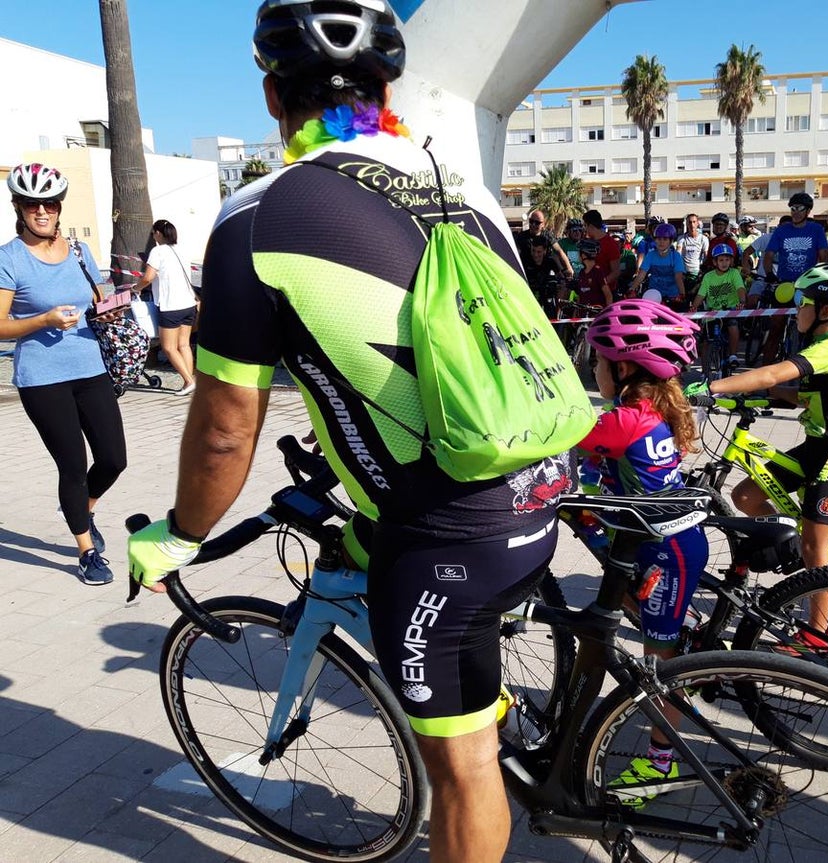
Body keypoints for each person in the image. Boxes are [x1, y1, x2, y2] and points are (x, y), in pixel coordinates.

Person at [125, 5, 575, 861]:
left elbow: (226, 430)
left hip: (452, 531)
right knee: (402, 578)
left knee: (466, 762)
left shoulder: (260, 214)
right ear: (387, 88)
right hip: (541, 485)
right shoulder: (463, 187)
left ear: (270, 96)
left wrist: (181, 536)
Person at [686, 262, 828, 633]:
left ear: (825, 311)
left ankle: (818, 633)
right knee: (745, 495)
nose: (796, 309)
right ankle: (791, 540)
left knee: (816, 551)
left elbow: (774, 372)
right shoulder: (827, 346)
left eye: (803, 302)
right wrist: (761, 396)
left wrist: (713, 387)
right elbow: (800, 396)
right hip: (814, 448)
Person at [579, 299, 707, 799]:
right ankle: (689, 650)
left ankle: (661, 765)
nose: (593, 368)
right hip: (659, 544)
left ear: (625, 366)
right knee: (660, 634)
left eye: (597, 360)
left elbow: (563, 440)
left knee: (660, 664)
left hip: (664, 550)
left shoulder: (626, 420)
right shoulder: (644, 408)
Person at [0, 163, 127, 586]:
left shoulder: (78, 251)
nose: (42, 211)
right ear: (18, 206)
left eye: (49, 204)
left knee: (113, 459)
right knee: (73, 465)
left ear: (59, 208)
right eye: (32, 204)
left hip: (91, 366)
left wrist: (113, 307)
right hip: (42, 378)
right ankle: (86, 550)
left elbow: (95, 300)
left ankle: (81, 510)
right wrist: (43, 320)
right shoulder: (9, 258)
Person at [757, 193, 828, 363]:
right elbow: (768, 255)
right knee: (776, 327)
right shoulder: (782, 230)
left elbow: (824, 255)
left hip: (808, 286)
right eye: (793, 208)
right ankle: (765, 370)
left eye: (800, 208)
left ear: (808, 211)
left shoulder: (816, 230)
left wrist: (825, 275)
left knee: (811, 329)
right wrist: (769, 275)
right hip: (785, 285)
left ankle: (809, 368)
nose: (795, 212)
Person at [132, 219, 198, 394]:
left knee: (168, 347)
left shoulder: (157, 251)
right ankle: (189, 381)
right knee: (184, 344)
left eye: (153, 233)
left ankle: (189, 381)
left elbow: (148, 278)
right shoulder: (182, 250)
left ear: (159, 233)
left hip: (170, 305)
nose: (153, 236)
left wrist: (135, 288)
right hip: (189, 303)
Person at [690, 243, 746, 367]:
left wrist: (742, 302)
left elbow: (740, 289)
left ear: (731, 261)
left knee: (733, 326)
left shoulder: (734, 273)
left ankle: (733, 356)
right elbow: (701, 295)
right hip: (712, 312)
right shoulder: (708, 277)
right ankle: (705, 372)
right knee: (706, 341)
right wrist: (694, 307)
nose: (724, 263)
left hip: (730, 310)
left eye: (727, 259)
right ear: (715, 262)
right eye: (721, 260)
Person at [629, 222, 685, 305]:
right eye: (658, 239)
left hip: (672, 295)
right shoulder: (650, 255)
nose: (661, 242)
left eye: (665, 239)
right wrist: (632, 289)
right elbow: (641, 274)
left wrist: (682, 294)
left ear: (671, 241)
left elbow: (678, 277)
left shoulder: (676, 256)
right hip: (654, 294)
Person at [516, 207, 574, 281]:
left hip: (543, 270)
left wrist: (569, 268)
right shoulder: (522, 236)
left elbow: (559, 251)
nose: (533, 224)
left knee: (554, 257)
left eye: (537, 223)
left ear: (543, 224)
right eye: (531, 221)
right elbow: (515, 254)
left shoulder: (547, 236)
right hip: (527, 269)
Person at [581, 209, 622, 295]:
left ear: (591, 226)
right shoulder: (587, 242)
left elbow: (616, 271)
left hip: (606, 293)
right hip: (589, 291)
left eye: (585, 225)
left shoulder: (611, 244)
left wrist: (601, 284)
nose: (584, 229)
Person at [522, 234, 565, 317]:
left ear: (545, 251)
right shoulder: (526, 261)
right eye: (533, 251)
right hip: (530, 295)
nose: (535, 255)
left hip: (546, 297)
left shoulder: (550, 261)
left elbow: (561, 278)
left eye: (539, 252)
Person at [674, 213, 708, 299]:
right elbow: (678, 253)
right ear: (687, 223)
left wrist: (703, 272)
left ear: (697, 223)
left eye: (694, 222)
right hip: (684, 274)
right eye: (689, 222)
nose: (692, 224)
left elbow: (706, 256)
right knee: (684, 300)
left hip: (697, 274)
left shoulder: (703, 239)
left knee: (696, 300)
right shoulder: (681, 238)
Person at [574, 238, 612, 308]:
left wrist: (606, 314)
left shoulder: (598, 271)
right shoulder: (581, 272)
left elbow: (608, 296)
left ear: (584, 255)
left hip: (596, 315)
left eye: (579, 253)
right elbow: (580, 296)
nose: (578, 256)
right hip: (583, 316)